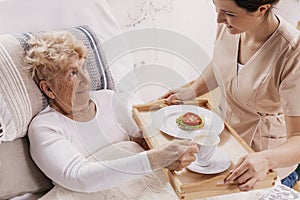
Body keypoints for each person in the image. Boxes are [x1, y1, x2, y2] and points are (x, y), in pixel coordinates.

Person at [25, 31, 199, 193]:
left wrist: (161, 119)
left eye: (83, 68)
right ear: (48, 89)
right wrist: (156, 159)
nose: (86, 80)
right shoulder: (44, 127)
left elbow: (138, 142)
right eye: (72, 73)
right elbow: (80, 178)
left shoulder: (108, 99)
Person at [162, 0, 300, 191]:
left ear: (262, 9)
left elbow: (298, 137)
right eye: (216, 8)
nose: (219, 19)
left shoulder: (293, 53)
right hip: (224, 142)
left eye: (228, 13)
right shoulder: (230, 25)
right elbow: (222, 61)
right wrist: (192, 91)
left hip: (262, 162)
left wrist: (266, 160)